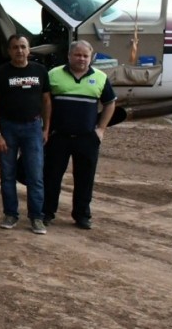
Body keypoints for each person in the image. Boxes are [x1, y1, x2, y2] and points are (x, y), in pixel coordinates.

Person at [43, 40, 116, 230]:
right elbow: (44, 101)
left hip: (87, 138)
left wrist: (101, 129)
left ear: (91, 58)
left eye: (85, 55)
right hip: (58, 137)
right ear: (69, 56)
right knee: (52, 177)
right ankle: (47, 212)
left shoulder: (100, 77)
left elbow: (110, 103)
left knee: (85, 178)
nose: (82, 59)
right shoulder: (53, 75)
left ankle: (82, 215)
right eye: (78, 54)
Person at [0, 34, 51, 235]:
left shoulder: (40, 71)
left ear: (29, 50)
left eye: (23, 47)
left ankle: (37, 218)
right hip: (8, 128)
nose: (19, 51)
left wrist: (46, 128)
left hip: (33, 128)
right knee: (7, 175)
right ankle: (10, 214)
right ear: (9, 50)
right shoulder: (0, 73)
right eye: (15, 47)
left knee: (35, 176)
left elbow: (47, 101)